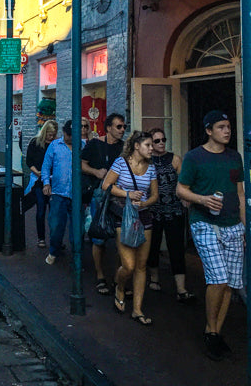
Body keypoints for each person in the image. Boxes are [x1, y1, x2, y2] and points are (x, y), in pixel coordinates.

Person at [176, 110, 245, 361]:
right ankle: (210, 332)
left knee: (230, 283)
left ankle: (215, 331)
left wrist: (244, 226)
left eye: (228, 126)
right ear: (208, 130)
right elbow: (181, 190)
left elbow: (239, 192)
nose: (227, 131)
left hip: (232, 224)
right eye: (221, 127)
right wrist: (203, 199)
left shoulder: (235, 157)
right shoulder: (195, 158)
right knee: (218, 278)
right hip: (204, 223)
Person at [101, 130, 158, 325]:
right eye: (148, 145)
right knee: (129, 265)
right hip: (123, 215)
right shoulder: (121, 163)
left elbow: (154, 195)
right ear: (136, 146)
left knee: (142, 266)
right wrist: (127, 194)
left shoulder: (151, 168)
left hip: (144, 216)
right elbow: (106, 185)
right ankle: (120, 286)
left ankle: (137, 309)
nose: (152, 149)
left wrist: (145, 203)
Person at [145, 127, 194, 302]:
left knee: (176, 248)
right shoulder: (147, 161)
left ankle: (181, 288)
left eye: (163, 139)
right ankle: (154, 278)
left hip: (173, 209)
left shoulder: (174, 159)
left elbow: (184, 182)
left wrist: (185, 198)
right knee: (153, 246)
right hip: (153, 209)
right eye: (156, 140)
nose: (161, 143)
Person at [82, 113, 126, 295]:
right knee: (99, 235)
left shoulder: (125, 148)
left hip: (120, 197)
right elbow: (81, 164)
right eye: (118, 126)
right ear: (108, 128)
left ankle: (117, 277)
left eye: (124, 126)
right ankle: (100, 275)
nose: (122, 130)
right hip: (99, 195)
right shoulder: (95, 145)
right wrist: (95, 172)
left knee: (120, 238)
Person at [41, 121, 75, 264]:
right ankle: (54, 251)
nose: (71, 137)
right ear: (64, 132)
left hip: (76, 193)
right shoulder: (54, 146)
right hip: (58, 192)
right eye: (68, 134)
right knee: (55, 225)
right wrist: (46, 183)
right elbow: (46, 167)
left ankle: (76, 254)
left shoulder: (83, 146)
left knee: (77, 228)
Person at [24, 120, 58, 249]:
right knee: (41, 209)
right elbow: (29, 161)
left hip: (53, 180)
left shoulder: (55, 144)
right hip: (39, 181)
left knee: (54, 212)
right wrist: (38, 173)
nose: (51, 137)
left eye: (53, 134)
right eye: (49, 134)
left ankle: (55, 238)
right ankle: (41, 238)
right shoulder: (35, 143)